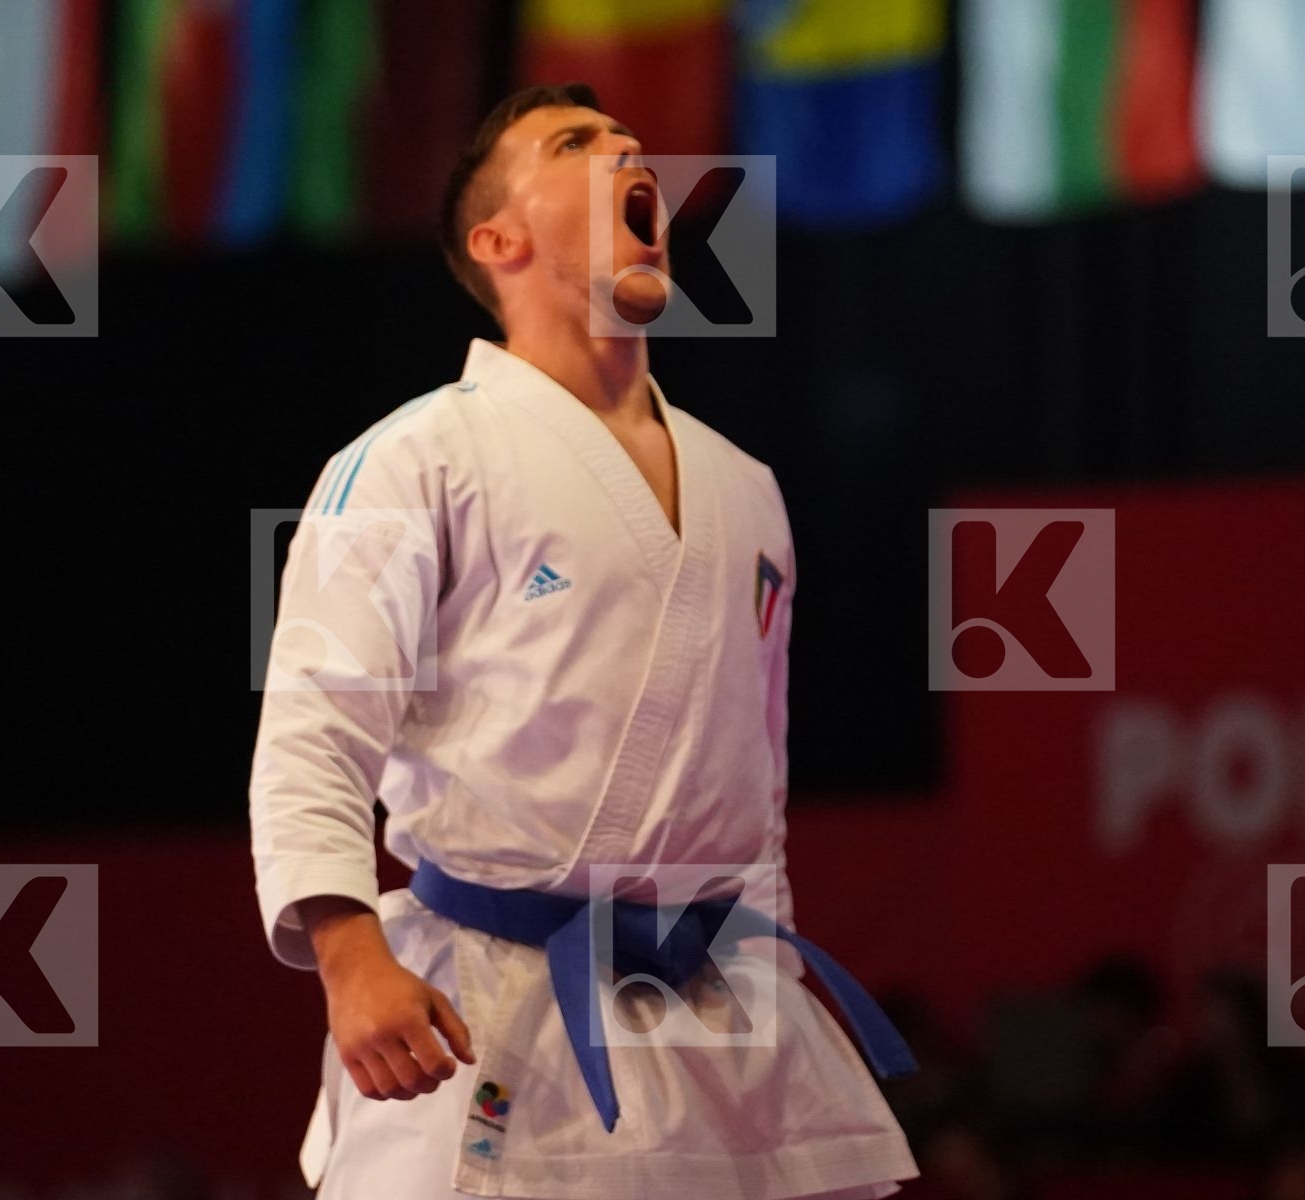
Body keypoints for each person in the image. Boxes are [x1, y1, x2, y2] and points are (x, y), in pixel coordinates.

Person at [248, 82, 920, 1200]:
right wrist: (348, 954)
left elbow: (753, 797)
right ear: (498, 239)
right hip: (495, 1005)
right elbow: (315, 726)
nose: (624, 150)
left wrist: (773, 963)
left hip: (720, 1013)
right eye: (575, 144)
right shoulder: (415, 460)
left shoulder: (745, 490)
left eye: (631, 142)